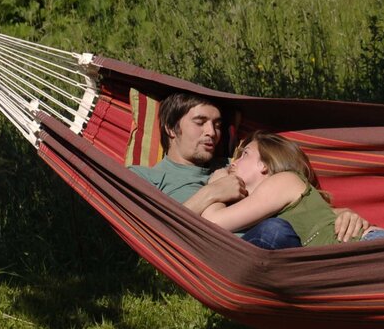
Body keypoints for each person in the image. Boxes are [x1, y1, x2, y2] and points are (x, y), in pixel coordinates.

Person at [127, 91, 368, 247]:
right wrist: (213, 192)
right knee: (275, 230)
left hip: (276, 248)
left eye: (217, 124)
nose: (211, 132)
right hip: (220, 260)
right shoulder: (146, 177)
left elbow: (291, 201)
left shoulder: (237, 165)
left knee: (277, 230)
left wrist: (341, 215)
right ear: (171, 128)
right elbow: (151, 232)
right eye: (200, 123)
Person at [199, 132, 342, 246]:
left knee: (272, 230)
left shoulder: (285, 180)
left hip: (357, 252)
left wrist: (217, 184)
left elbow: (212, 222)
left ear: (264, 164)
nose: (233, 163)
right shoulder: (273, 203)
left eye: (245, 154)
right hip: (337, 265)